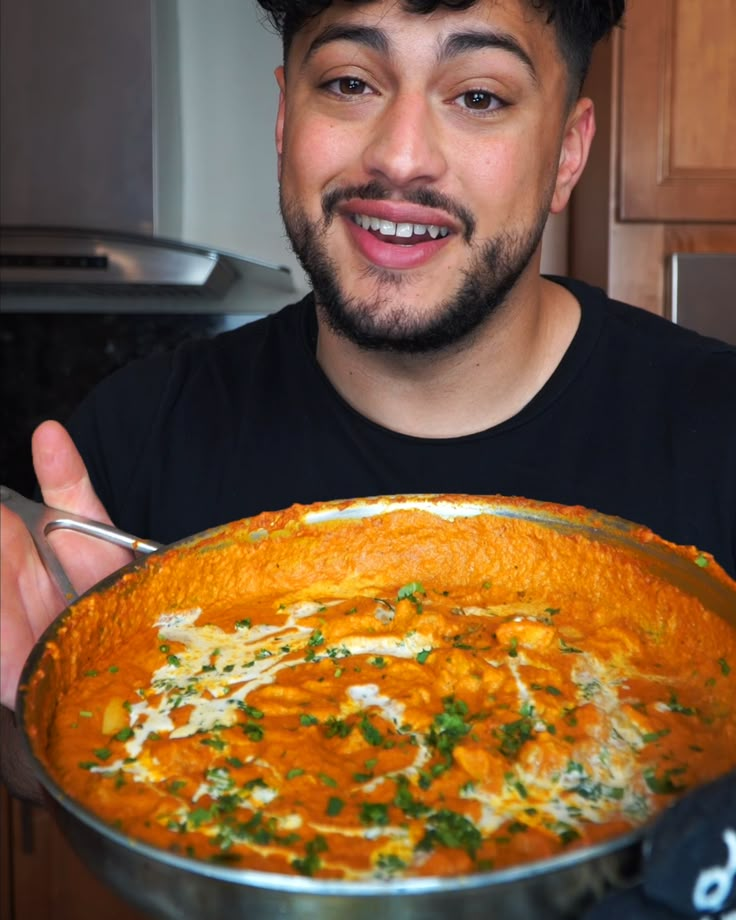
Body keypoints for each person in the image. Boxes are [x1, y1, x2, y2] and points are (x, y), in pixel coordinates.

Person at [1, 1, 735, 913]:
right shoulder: (135, 439)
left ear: (569, 153)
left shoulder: (718, 434)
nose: (399, 156)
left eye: (477, 95)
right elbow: (52, 775)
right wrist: (28, 724)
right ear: (285, 119)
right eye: (350, 82)